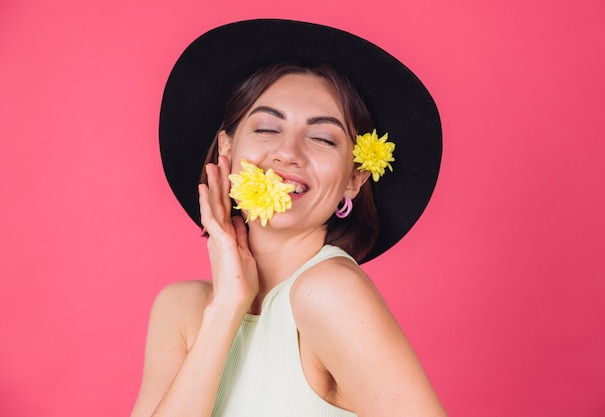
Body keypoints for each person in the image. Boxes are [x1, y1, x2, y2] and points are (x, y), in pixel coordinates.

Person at [132, 19, 446, 417]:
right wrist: (229, 303)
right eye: (266, 128)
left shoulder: (329, 292)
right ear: (225, 152)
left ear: (354, 179)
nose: (288, 153)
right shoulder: (181, 309)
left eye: (322, 138)